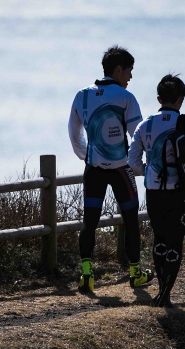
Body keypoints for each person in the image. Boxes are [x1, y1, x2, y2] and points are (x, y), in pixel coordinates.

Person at [68, 45, 154, 293]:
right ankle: (136, 274)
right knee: (130, 221)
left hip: (93, 169)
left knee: (90, 221)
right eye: (129, 71)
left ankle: (86, 275)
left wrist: (91, 156)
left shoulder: (81, 95)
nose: (130, 77)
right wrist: (141, 165)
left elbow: (75, 136)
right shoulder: (126, 98)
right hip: (121, 169)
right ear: (118, 70)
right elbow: (138, 138)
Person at [128, 74, 185, 307]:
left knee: (159, 239)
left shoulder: (145, 125)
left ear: (159, 98)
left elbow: (132, 162)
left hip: (153, 190)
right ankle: (166, 293)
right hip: (178, 190)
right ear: (181, 99)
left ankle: (161, 289)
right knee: (175, 241)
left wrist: (148, 170)